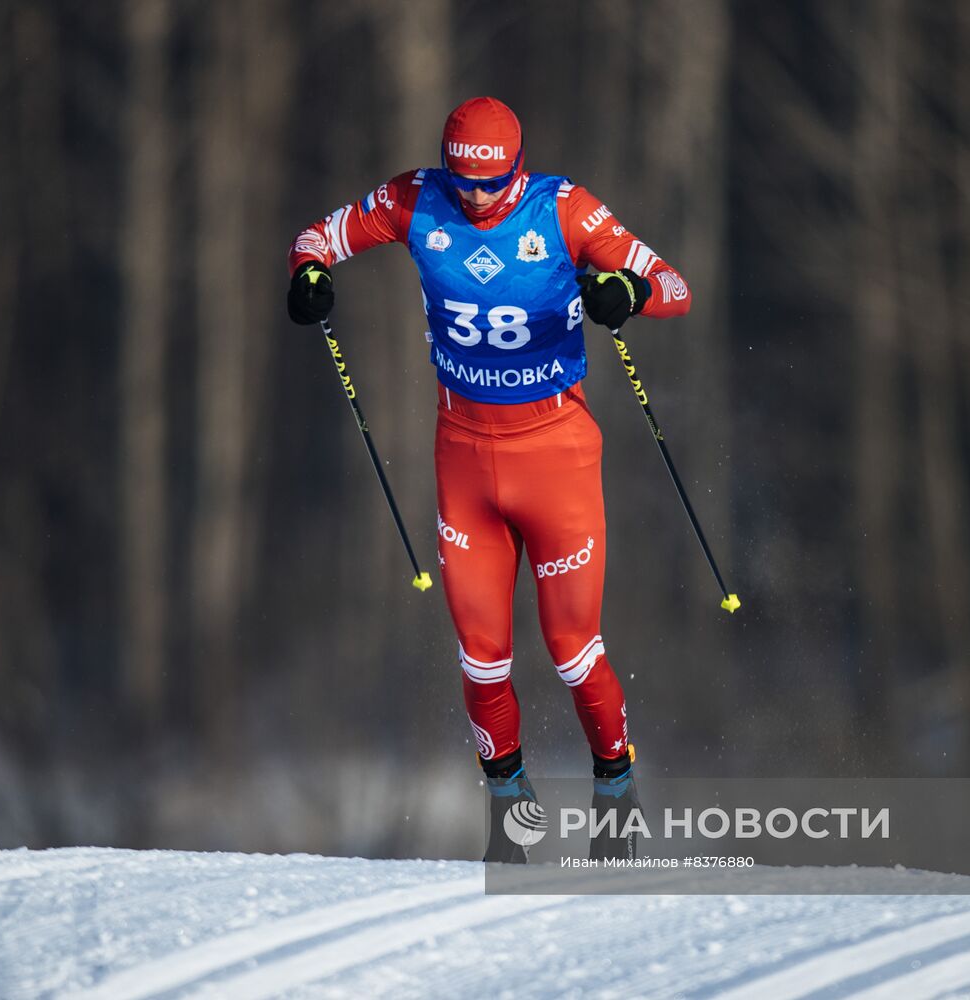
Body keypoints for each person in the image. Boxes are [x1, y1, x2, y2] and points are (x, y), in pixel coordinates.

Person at [286, 97, 692, 862]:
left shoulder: (565, 210)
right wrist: (307, 276)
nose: (475, 198)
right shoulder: (415, 198)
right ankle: (509, 809)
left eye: (491, 184)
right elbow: (316, 238)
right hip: (464, 458)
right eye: (463, 182)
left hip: (556, 456)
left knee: (571, 647)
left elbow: (674, 284)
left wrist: (628, 293)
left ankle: (614, 785)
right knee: (481, 654)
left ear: (516, 168)